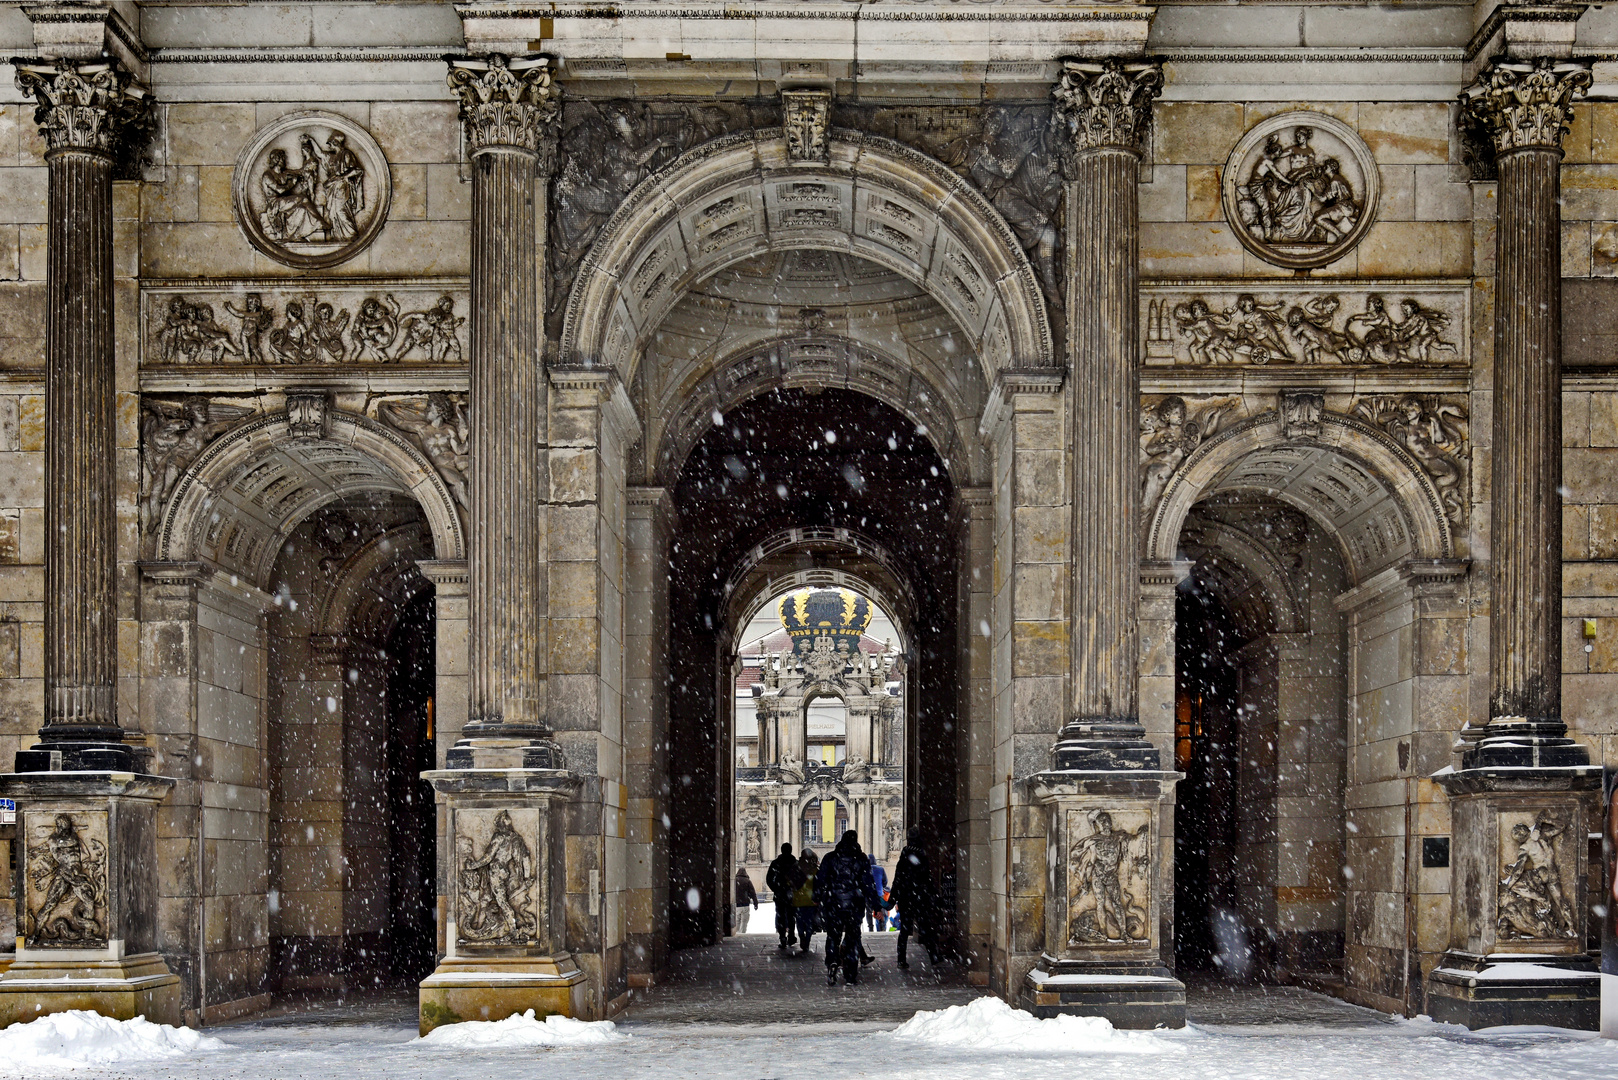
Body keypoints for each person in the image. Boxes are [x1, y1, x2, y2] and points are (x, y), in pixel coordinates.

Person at [815, 831, 884, 985]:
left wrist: (816, 897)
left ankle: (832, 963)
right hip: (854, 904)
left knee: (833, 936)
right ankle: (850, 974)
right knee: (852, 938)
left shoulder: (830, 858)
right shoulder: (861, 859)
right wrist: (876, 906)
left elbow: (820, 880)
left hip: (833, 904)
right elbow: (868, 884)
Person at [888, 826, 941, 968]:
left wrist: (892, 899)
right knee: (925, 927)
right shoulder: (922, 855)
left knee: (905, 930)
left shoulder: (905, 856)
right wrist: (933, 894)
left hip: (906, 897)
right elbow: (928, 878)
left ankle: (901, 960)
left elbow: (897, 879)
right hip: (920, 897)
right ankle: (933, 956)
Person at [764, 842, 804, 950]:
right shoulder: (795, 863)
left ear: (781, 850)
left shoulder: (776, 863)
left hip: (780, 894)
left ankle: (782, 937)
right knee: (791, 916)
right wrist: (795, 889)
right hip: (792, 895)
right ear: (790, 850)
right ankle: (791, 936)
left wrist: (776, 889)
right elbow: (801, 879)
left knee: (780, 915)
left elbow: (769, 879)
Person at [792, 849, 820, 956]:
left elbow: (789, 882)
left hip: (798, 900)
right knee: (809, 922)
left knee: (799, 921)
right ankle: (807, 940)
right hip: (810, 901)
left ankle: (801, 936)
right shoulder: (814, 870)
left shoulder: (795, 868)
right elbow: (819, 885)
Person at [867, 854, 889, 933]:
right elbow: (885, 881)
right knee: (880, 909)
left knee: (869, 911)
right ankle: (881, 924)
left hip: (868, 893)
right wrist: (880, 887)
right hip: (879, 893)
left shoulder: (866, 869)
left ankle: (870, 927)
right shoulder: (880, 869)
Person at [733, 867, 758, 935]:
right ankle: (742, 933)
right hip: (745, 903)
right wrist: (755, 903)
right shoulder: (747, 881)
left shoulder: (734, 881)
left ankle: (737, 932)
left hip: (737, 903)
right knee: (744, 920)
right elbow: (753, 893)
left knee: (737, 920)